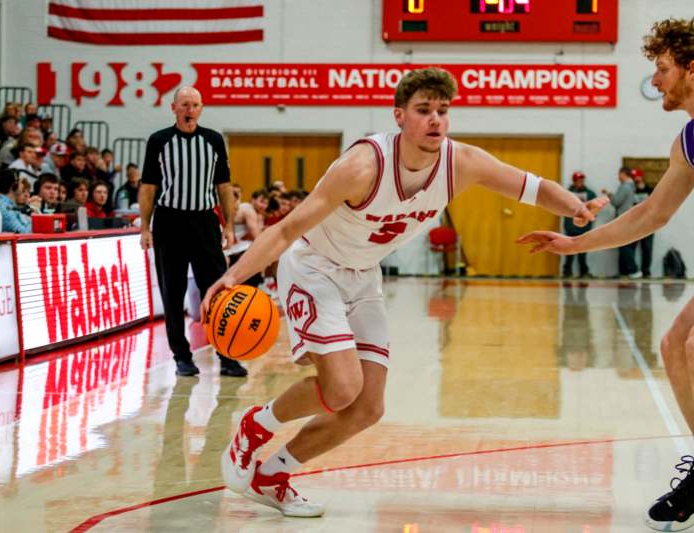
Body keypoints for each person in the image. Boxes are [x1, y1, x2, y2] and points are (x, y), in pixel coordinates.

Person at [200, 67, 606, 517]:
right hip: (315, 268)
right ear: (399, 116)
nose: (435, 120)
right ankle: (252, 429)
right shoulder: (362, 166)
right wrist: (233, 276)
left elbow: (530, 186)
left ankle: (272, 474)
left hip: (363, 275)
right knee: (342, 388)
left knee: (367, 407)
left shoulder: (461, 162)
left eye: (443, 111)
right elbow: (289, 228)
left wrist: (574, 206)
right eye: (423, 110)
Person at [518, 18, 694, 531]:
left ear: (691, 69)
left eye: (662, 69)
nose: (655, 81)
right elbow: (652, 216)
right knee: (677, 341)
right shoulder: (690, 144)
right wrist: (576, 243)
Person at [139, 86, 245, 378]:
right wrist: (145, 226)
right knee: (173, 292)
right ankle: (182, 357)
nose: (190, 110)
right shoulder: (159, 141)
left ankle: (227, 355)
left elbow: (224, 186)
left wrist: (229, 224)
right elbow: (148, 187)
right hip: (169, 222)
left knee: (217, 291)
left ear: (201, 108)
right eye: (184, 104)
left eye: (195, 104)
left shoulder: (213, 140)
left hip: (204, 222)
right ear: (174, 108)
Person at [603, 167, 640, 278]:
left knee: (624, 246)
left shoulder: (625, 187)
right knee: (624, 244)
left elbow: (616, 201)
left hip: (623, 219)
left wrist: (608, 194)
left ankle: (634, 270)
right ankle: (623, 272)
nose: (618, 177)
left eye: (619, 174)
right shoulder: (633, 187)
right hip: (630, 219)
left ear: (624, 174)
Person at [563, 171, 597, 278]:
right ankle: (567, 272)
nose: (580, 182)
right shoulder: (567, 192)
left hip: (584, 227)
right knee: (569, 250)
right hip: (571, 226)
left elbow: (595, 208)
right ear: (574, 181)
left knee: (583, 250)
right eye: (578, 180)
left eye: (581, 180)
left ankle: (584, 272)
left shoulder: (590, 193)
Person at [631, 168, 655, 277]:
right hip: (634, 223)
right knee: (631, 247)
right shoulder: (631, 190)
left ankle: (646, 271)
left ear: (641, 177)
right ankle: (632, 271)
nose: (636, 179)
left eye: (637, 176)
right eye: (634, 177)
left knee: (647, 248)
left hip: (648, 223)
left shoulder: (649, 190)